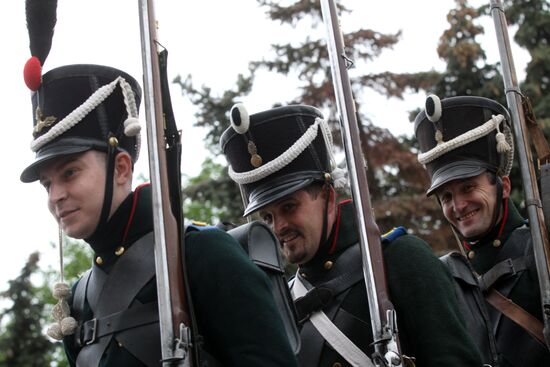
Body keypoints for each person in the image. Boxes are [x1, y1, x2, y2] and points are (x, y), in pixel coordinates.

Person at [20, 64, 298, 367]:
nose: (55, 195)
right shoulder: (78, 299)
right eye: (47, 184)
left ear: (121, 168)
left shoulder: (201, 253)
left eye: (70, 173)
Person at [221, 103, 484, 366]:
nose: (278, 227)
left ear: (328, 196)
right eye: (267, 217)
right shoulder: (287, 298)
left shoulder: (399, 259)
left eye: (289, 207)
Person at [414, 95, 550, 366]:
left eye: (468, 187)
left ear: (504, 186)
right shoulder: (450, 279)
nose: (459, 205)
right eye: (446, 197)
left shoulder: (541, 250)